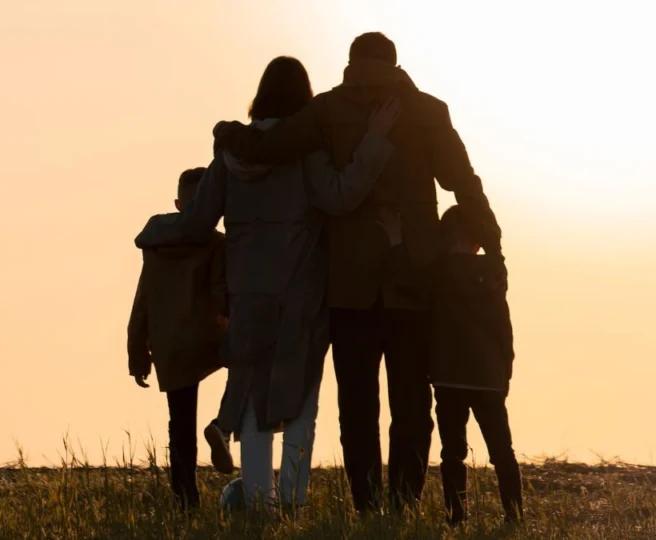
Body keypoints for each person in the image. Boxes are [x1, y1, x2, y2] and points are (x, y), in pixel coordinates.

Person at [212, 32, 503, 512]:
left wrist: (226, 132)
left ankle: (367, 505)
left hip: (348, 285)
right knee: (411, 405)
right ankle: (402, 504)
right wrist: (493, 249)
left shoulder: (328, 110)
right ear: (395, 63)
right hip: (413, 280)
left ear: (351, 62)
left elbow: (269, 145)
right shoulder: (428, 112)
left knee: (358, 409)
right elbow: (465, 187)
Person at [134, 57, 400, 510]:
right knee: (300, 405)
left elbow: (198, 221)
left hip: (247, 293)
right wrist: (375, 141)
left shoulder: (230, 155)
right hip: (301, 292)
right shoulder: (305, 151)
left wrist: (153, 230)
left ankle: (259, 503)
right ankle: (293, 504)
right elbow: (340, 196)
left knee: (255, 403)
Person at [378, 205, 522, 524]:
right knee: (502, 452)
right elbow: (504, 329)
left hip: (449, 376)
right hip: (488, 378)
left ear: (447, 237)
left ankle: (456, 516)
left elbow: (406, 282)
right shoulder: (494, 275)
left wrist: (395, 241)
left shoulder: (441, 272)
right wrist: (505, 374)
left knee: (452, 453)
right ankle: (514, 515)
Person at [126, 167, 227, 510]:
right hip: (208, 337)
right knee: (249, 376)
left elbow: (143, 300)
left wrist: (137, 352)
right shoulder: (215, 244)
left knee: (180, 424)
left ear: (178, 203)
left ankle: (186, 498)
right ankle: (225, 426)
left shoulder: (156, 243)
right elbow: (220, 294)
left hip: (169, 344)